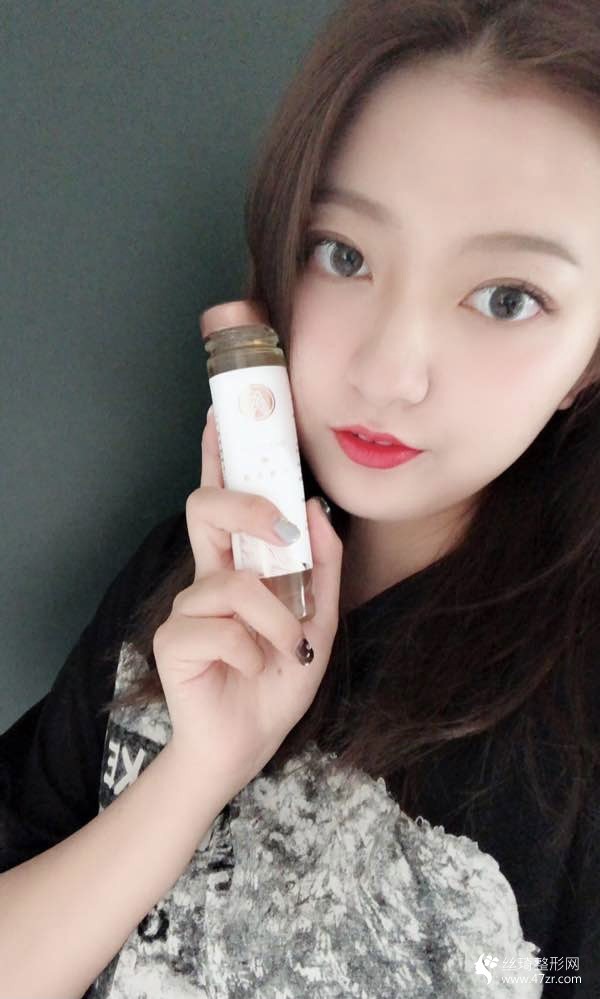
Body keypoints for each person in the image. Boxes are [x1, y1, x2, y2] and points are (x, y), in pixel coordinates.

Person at [1, 0, 600, 996]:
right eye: (344, 254)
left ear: (590, 359)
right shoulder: (184, 579)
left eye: (508, 299)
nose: (390, 371)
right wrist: (197, 773)